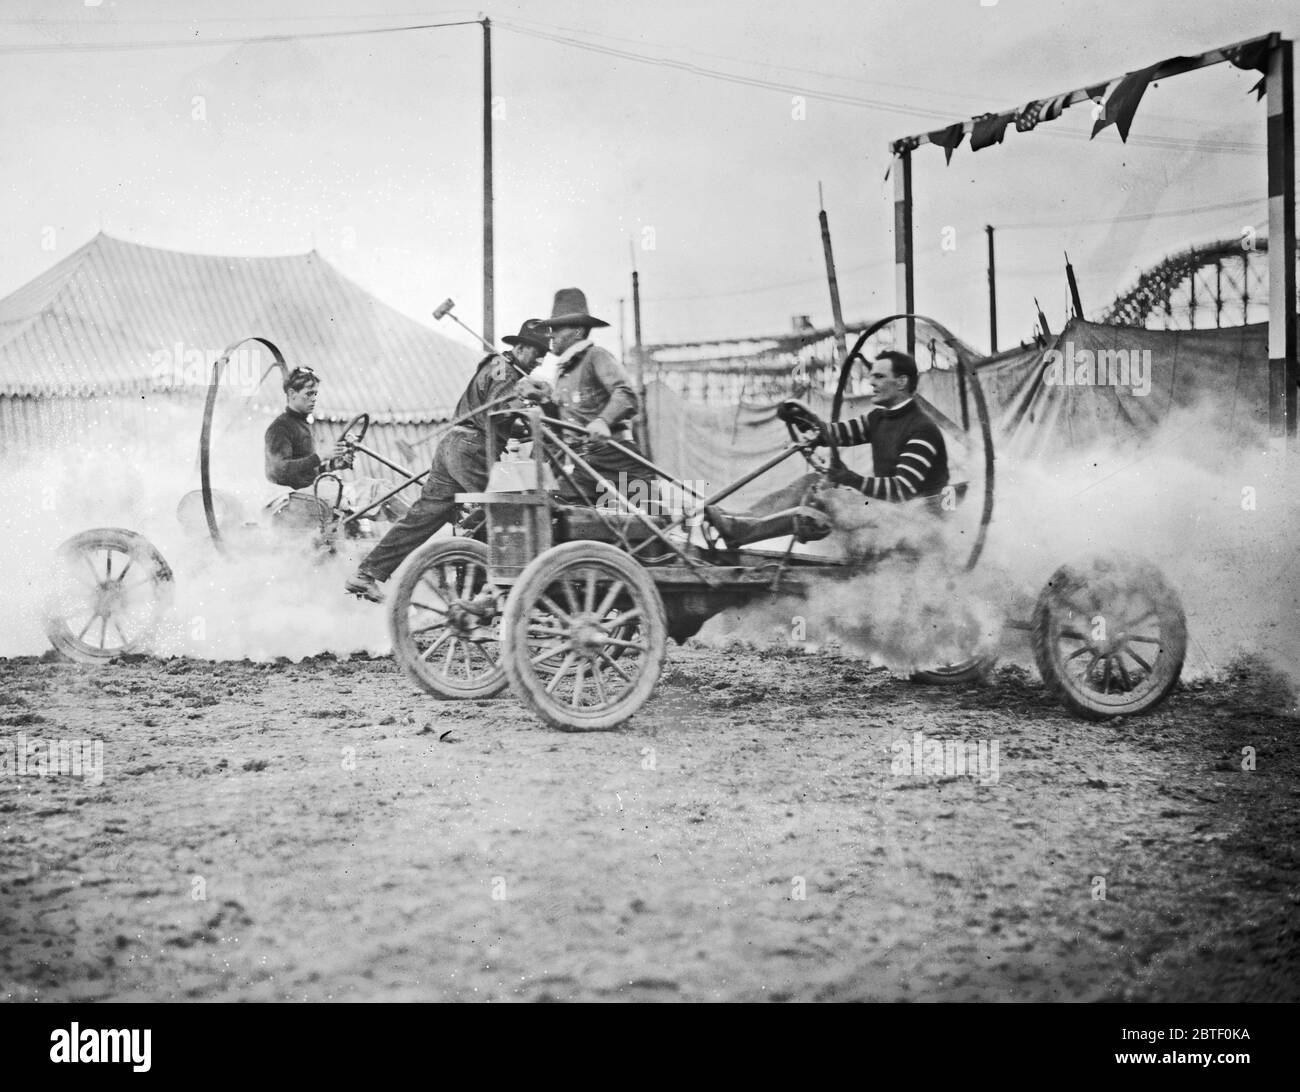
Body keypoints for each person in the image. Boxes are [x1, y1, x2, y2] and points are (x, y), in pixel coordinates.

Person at [343, 319, 551, 602]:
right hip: (472, 449)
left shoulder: (497, 366)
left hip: (452, 445)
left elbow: (491, 415)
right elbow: (497, 411)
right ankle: (483, 591)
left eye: (545, 353)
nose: (540, 359)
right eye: (538, 351)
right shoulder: (506, 371)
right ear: (522, 347)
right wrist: (524, 396)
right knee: (506, 513)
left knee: (423, 516)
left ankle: (366, 573)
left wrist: (523, 425)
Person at [705, 350, 949, 547]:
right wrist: (800, 421)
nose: (871, 381)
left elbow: (901, 489)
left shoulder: (921, 430)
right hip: (885, 509)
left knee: (828, 496)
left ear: (902, 382)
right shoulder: (880, 418)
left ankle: (743, 533)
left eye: (879, 377)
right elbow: (836, 433)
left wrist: (851, 479)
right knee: (811, 481)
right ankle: (740, 523)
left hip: (913, 521)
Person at [538, 287, 658, 510]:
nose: (550, 335)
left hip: (616, 458)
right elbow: (563, 424)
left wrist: (603, 420)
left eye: (556, 328)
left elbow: (627, 394)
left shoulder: (596, 357)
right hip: (584, 465)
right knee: (554, 512)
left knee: (650, 528)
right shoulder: (563, 372)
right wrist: (544, 400)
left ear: (578, 331)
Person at [264, 367, 351, 489]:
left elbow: (305, 474)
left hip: (308, 493)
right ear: (292, 394)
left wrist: (332, 466)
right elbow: (279, 471)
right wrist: (320, 457)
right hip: (293, 498)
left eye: (315, 394)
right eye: (309, 394)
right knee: (372, 491)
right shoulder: (280, 427)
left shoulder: (302, 425)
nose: (314, 399)